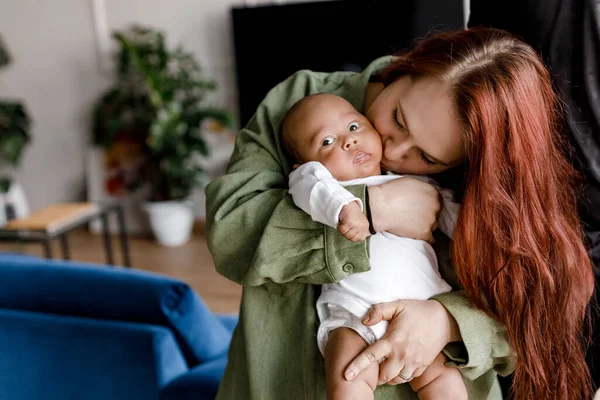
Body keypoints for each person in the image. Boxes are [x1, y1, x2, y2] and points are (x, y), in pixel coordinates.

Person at [205, 27, 595, 400]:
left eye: (426, 157)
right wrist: (377, 208)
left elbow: (536, 307)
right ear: (407, 67)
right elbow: (230, 233)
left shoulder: (485, 174)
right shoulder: (305, 99)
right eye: (398, 119)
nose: (393, 152)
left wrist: (447, 322)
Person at [281, 93, 466, 400]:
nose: (348, 141)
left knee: (444, 382)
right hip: (356, 313)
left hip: (419, 311)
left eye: (354, 127)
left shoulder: (421, 184)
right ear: (306, 163)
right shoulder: (327, 185)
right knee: (348, 379)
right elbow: (310, 187)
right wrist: (349, 208)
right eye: (326, 142)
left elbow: (460, 226)